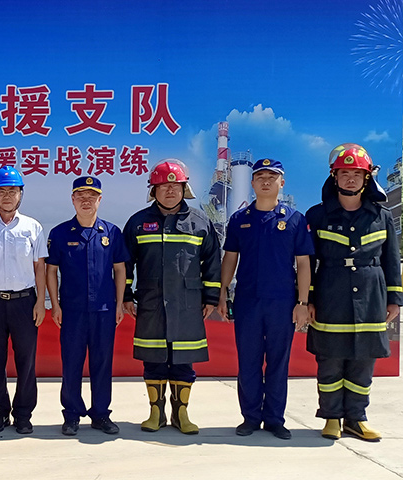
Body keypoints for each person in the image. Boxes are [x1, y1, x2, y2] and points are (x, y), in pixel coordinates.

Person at [305, 143, 401, 442]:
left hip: (372, 295)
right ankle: (332, 417)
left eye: (356, 174)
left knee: (363, 361)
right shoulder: (317, 215)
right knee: (330, 359)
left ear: (366, 178)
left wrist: (395, 298)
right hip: (330, 294)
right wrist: (308, 299)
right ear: (334, 177)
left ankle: (356, 419)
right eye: (344, 173)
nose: (350, 179)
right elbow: (307, 262)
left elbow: (391, 260)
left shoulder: (381, 216)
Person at [123, 159, 220, 435]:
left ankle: (181, 414)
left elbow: (213, 262)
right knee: (153, 358)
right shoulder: (138, 223)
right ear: (153, 190)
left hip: (188, 305)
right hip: (151, 303)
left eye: (175, 186)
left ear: (184, 189)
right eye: (163, 186)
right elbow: (125, 264)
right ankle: (156, 413)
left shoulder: (200, 222)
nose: (169, 191)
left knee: (183, 359)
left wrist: (211, 298)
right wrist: (127, 295)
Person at [218, 159, 313, 440]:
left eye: (272, 176)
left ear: (282, 183)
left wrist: (302, 303)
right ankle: (250, 417)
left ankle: (274, 419)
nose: (266, 181)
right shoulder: (240, 219)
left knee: (278, 362)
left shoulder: (295, 219)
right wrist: (223, 292)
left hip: (282, 302)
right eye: (260, 176)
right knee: (248, 361)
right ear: (252, 183)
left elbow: (304, 263)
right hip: (248, 301)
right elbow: (230, 258)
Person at [45, 176, 128, 436]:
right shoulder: (60, 233)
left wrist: (119, 303)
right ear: (72, 199)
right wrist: (55, 305)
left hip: (104, 311)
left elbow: (120, 269)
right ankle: (71, 415)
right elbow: (51, 271)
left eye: (91, 196)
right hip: (72, 311)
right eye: (80, 196)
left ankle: (101, 414)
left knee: (102, 364)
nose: (86, 201)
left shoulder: (111, 233)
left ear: (100, 200)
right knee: (71, 363)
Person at [0, 165, 47, 435]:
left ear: (20, 194)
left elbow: (40, 267)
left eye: (12, 191)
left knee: (26, 360)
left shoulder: (32, 227)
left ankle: (23, 414)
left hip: (25, 302)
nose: (7, 196)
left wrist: (41, 302)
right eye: (1, 191)